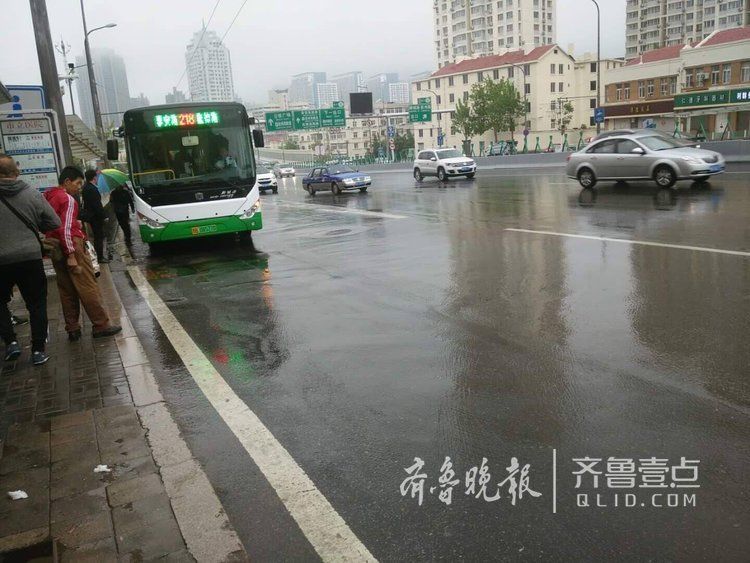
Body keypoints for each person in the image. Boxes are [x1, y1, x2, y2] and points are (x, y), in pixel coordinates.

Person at [44, 166, 121, 341]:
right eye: (78, 183)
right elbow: (65, 229)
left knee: (66, 290)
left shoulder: (49, 196)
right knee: (88, 287)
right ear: (67, 182)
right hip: (72, 247)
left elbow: (51, 225)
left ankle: (73, 328)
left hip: (55, 247)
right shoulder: (68, 199)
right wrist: (71, 254)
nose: (79, 187)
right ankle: (101, 325)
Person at [0, 154, 61, 365]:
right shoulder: (31, 193)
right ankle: (38, 351)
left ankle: (11, 343)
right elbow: (54, 221)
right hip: (30, 258)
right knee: (36, 304)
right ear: (15, 172)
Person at [79, 169, 108, 263]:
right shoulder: (92, 189)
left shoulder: (86, 187)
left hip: (91, 216)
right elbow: (97, 205)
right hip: (95, 217)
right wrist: (104, 216)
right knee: (99, 236)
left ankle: (99, 256)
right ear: (94, 177)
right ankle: (100, 257)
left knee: (98, 236)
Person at [110, 182, 134, 247]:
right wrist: (132, 208)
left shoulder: (122, 192)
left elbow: (130, 200)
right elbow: (111, 201)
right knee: (124, 225)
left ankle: (128, 239)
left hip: (123, 211)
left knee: (125, 225)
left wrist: (132, 208)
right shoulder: (114, 193)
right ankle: (127, 237)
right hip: (119, 211)